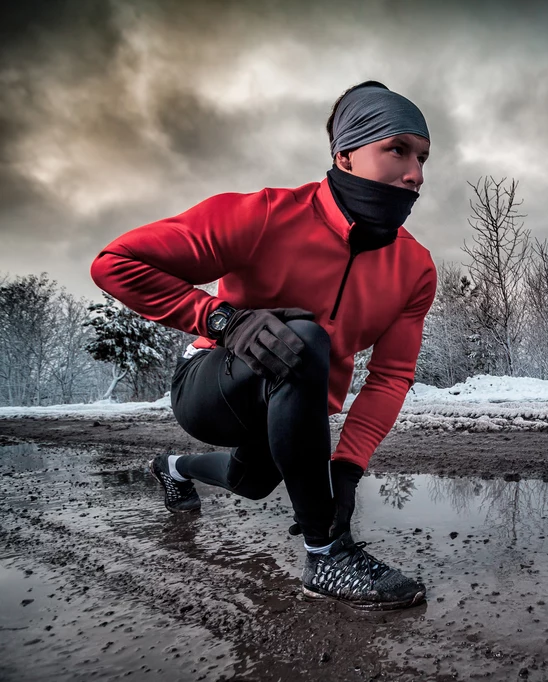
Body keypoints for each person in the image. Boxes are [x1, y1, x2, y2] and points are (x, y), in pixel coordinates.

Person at [90, 81, 437, 611]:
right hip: (212, 383)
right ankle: (326, 556)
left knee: (248, 481)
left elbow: (389, 377)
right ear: (344, 153)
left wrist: (346, 468)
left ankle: (175, 467)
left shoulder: (415, 269)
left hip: (295, 403)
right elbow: (115, 263)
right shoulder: (264, 216)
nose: (415, 173)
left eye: (422, 157)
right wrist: (222, 319)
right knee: (301, 336)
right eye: (396, 149)